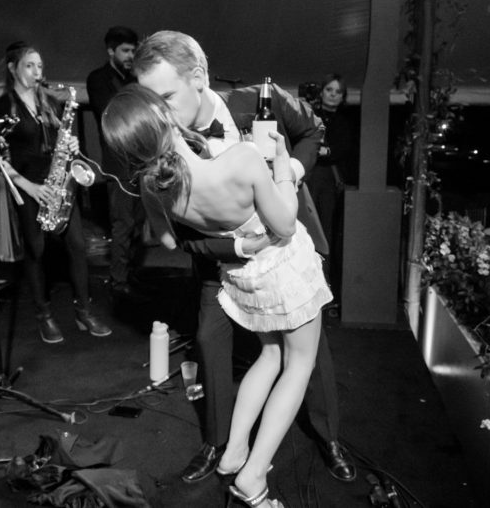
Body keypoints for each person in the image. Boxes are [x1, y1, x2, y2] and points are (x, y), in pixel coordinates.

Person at [131, 30, 356, 485]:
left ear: (199, 77)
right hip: (222, 264)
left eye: (167, 95)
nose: (158, 111)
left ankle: (327, 436)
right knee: (212, 344)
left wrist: (291, 167)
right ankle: (221, 446)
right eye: (149, 99)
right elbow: (171, 237)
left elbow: (313, 129)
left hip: (283, 254)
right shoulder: (164, 145)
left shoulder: (257, 99)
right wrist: (233, 247)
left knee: (305, 355)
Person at [103, 83, 331, 507]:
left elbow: (170, 243)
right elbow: (283, 224)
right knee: (299, 363)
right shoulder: (242, 160)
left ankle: (233, 453)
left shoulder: (153, 188)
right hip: (283, 270)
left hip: (241, 279)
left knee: (270, 356)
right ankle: (254, 474)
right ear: (167, 120)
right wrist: (282, 165)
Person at [0, 41, 112, 344]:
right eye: (29, 65)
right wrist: (30, 188)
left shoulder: (52, 103)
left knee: (78, 246)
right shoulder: (2, 107)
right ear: (13, 68)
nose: (37, 72)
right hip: (30, 186)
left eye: (40, 66)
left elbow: (65, 141)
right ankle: (43, 314)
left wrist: (73, 147)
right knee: (35, 250)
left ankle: (84, 310)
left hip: (59, 184)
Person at [85, 26, 146, 300]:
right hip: (118, 163)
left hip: (141, 161)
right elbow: (113, 112)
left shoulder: (136, 79)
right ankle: (118, 282)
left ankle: (130, 274)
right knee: (122, 224)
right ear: (111, 51)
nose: (131, 55)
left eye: (134, 50)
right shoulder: (98, 79)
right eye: (125, 50)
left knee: (138, 224)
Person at [309, 73, 357, 309]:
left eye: (338, 92)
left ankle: (324, 289)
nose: (333, 95)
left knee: (325, 233)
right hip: (309, 178)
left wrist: (326, 151)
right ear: (321, 92)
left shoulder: (343, 122)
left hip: (327, 182)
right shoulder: (310, 114)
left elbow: (341, 150)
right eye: (329, 90)